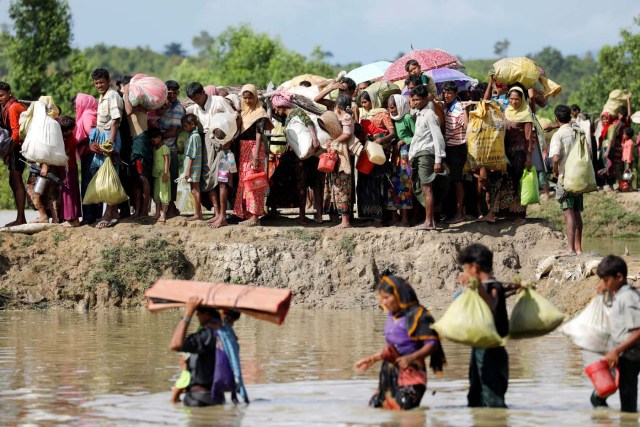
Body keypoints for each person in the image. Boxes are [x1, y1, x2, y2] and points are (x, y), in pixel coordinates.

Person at [355, 275, 446, 410]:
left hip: (412, 373)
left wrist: (411, 358)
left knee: (405, 410)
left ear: (399, 295)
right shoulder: (393, 316)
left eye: (387, 297)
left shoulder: (418, 315)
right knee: (376, 406)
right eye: (382, 298)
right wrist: (373, 358)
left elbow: (432, 344)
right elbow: (394, 348)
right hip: (389, 373)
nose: (383, 302)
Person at [457, 243, 510, 408]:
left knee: (493, 401)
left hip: (492, 350)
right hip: (479, 349)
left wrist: (477, 285)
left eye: (466, 268)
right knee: (475, 398)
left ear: (475, 268)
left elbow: (492, 305)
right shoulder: (480, 287)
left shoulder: (493, 287)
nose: (464, 272)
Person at [592, 255, 640, 413]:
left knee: (627, 403)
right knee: (598, 396)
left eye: (606, 280)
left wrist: (616, 351)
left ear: (619, 277)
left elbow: (638, 331)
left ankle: (628, 421)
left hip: (629, 355)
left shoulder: (629, 298)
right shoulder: (619, 294)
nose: (603, 284)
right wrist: (605, 289)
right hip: (620, 354)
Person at [186, 82, 238, 223]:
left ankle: (223, 216)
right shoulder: (195, 109)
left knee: (222, 180)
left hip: (223, 145)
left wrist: (230, 140)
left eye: (197, 98)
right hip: (207, 147)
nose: (196, 101)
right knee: (209, 180)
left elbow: (235, 118)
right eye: (194, 100)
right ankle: (216, 213)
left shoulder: (219, 101)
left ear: (203, 92)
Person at [269, 90, 323, 224]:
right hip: (295, 154)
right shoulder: (288, 118)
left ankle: (303, 215)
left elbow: (308, 123)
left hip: (303, 157)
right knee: (280, 179)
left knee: (303, 184)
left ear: (282, 106)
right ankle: (275, 211)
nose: (275, 111)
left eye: (276, 108)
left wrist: (315, 139)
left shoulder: (297, 112)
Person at [168, 296, 219, 407]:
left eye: (198, 313)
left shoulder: (206, 336)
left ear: (207, 314)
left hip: (199, 398)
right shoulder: (225, 334)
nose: (196, 315)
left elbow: (175, 344)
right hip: (218, 398)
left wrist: (188, 313)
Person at [408, 85, 447, 231]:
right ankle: (429, 220)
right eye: (413, 99)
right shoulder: (419, 114)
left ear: (425, 99)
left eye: (418, 99)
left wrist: (438, 159)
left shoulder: (430, 115)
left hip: (426, 155)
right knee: (423, 188)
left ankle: (429, 222)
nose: (415, 102)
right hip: (419, 155)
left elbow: (438, 138)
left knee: (427, 188)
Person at [234, 84, 273, 226]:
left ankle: (255, 216)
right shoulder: (244, 113)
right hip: (243, 148)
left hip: (253, 149)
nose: (247, 101)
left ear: (255, 97)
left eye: (250, 98)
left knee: (254, 181)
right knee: (244, 181)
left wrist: (255, 156)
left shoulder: (260, 113)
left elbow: (259, 135)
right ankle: (247, 214)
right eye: (245, 98)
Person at [90, 68, 124, 229]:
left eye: (101, 82)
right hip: (101, 136)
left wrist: (110, 142)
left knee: (110, 175)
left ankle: (109, 213)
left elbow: (115, 121)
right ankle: (112, 211)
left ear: (108, 80)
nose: (99, 85)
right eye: (96, 83)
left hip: (110, 137)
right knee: (103, 176)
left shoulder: (112, 95)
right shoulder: (101, 96)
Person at [357, 88, 396, 227]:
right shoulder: (364, 116)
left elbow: (393, 133)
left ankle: (379, 219)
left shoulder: (383, 114)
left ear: (373, 100)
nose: (364, 105)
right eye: (362, 103)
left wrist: (381, 139)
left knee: (378, 184)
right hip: (367, 153)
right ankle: (367, 216)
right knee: (365, 184)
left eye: (366, 102)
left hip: (380, 154)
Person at [550, 105, 584, 256]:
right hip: (579, 177)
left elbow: (555, 157)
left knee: (568, 212)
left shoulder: (558, 135)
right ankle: (578, 248)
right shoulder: (577, 131)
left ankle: (569, 248)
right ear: (570, 117)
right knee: (577, 212)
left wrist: (555, 170)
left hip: (566, 178)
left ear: (556, 118)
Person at [502, 86, 536, 225]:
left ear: (522, 99)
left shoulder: (526, 114)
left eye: (517, 99)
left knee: (518, 181)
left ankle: (521, 214)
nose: (514, 101)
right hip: (507, 152)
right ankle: (508, 212)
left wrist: (528, 157)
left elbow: (528, 138)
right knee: (508, 181)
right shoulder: (506, 112)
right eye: (511, 99)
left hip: (519, 153)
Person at [324, 95, 356, 229]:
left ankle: (345, 220)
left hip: (344, 155)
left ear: (338, 106)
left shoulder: (346, 117)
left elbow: (347, 134)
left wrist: (335, 141)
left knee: (342, 186)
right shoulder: (344, 117)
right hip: (339, 153)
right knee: (338, 186)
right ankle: (343, 219)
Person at [122, 79, 152, 220]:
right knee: (135, 178)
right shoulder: (135, 101)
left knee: (142, 176)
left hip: (140, 141)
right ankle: (138, 209)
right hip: (135, 141)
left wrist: (126, 91)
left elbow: (128, 110)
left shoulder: (137, 99)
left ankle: (144, 210)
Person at [0, 82, 27, 226]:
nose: (0, 98)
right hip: (16, 147)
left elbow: (16, 135)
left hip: (19, 148)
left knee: (16, 181)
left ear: (9, 93)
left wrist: (9, 153)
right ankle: (20, 217)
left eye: (2, 95)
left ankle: (21, 219)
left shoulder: (12, 107)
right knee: (13, 181)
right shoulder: (6, 106)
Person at [442, 81, 469, 224]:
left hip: (457, 148)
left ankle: (460, 213)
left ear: (455, 94)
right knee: (452, 181)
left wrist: (465, 110)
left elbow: (465, 126)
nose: (446, 95)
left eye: (449, 93)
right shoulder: (447, 108)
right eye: (445, 92)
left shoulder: (458, 108)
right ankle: (454, 212)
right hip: (449, 147)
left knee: (457, 181)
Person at [158, 80, 186, 219]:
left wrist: (157, 137)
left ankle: (170, 208)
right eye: (169, 93)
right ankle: (169, 209)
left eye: (175, 93)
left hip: (170, 149)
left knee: (170, 179)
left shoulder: (178, 108)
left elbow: (173, 132)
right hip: (160, 148)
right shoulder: (160, 106)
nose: (172, 95)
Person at [72, 93, 100, 225]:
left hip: (89, 153)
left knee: (88, 184)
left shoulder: (87, 114)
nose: (76, 108)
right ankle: (97, 214)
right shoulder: (94, 112)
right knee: (95, 184)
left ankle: (89, 216)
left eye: (76, 105)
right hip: (93, 153)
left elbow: (91, 133)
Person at [386, 95, 414, 226]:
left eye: (393, 108)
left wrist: (404, 141)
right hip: (395, 155)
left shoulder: (407, 118)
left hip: (405, 156)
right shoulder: (391, 119)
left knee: (404, 185)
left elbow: (417, 136)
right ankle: (394, 218)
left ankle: (405, 219)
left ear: (400, 106)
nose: (391, 110)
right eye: (390, 108)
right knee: (392, 185)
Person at [58, 116, 81, 227]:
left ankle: (73, 219)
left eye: (65, 131)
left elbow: (65, 153)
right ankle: (69, 218)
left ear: (70, 130)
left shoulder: (70, 140)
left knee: (69, 193)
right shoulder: (68, 138)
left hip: (69, 168)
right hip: (68, 168)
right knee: (67, 192)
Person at [181, 114, 203, 221]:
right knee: (194, 190)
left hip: (193, 168)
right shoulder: (193, 136)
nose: (184, 129)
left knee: (195, 190)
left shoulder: (194, 137)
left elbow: (192, 156)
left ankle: (197, 214)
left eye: (186, 126)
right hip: (194, 168)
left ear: (192, 125)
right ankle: (199, 213)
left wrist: (187, 170)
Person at [149, 127, 170, 223]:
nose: (153, 142)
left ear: (159, 137)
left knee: (164, 194)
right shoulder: (154, 148)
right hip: (156, 175)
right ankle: (157, 213)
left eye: (154, 139)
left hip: (163, 175)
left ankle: (163, 214)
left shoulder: (164, 148)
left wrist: (165, 173)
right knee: (157, 194)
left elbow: (166, 161)